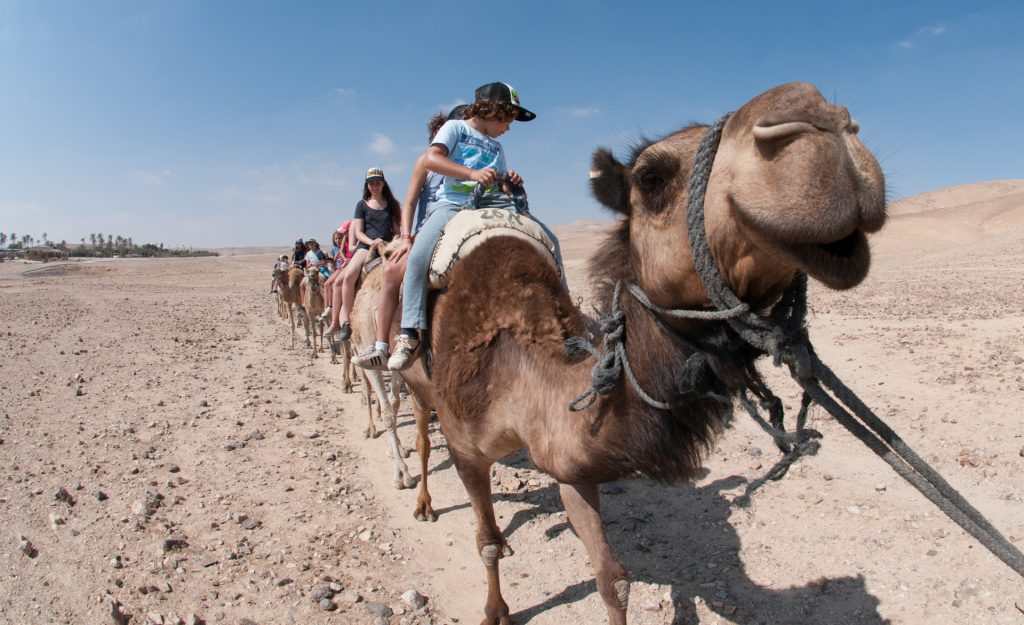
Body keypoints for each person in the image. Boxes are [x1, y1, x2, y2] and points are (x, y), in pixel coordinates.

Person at [389, 82, 564, 371]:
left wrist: (510, 182)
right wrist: (471, 173)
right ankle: (409, 333)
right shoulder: (456, 129)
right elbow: (432, 159)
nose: (508, 127)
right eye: (507, 119)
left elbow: (499, 183)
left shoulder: (496, 145)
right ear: (492, 110)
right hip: (453, 203)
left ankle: (563, 318)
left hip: (494, 205)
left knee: (550, 240)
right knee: (419, 257)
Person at [351, 105, 466, 369]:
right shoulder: (427, 163)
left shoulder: (474, 161)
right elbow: (411, 203)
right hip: (425, 230)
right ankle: (383, 343)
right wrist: (406, 236)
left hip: (464, 226)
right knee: (390, 272)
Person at [327, 168, 400, 341]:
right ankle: (347, 321)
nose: (374, 186)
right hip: (365, 247)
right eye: (371, 183)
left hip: (387, 245)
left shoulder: (392, 204)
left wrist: (395, 240)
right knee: (349, 277)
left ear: (383, 184)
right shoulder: (361, 205)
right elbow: (358, 232)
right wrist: (371, 242)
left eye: (378, 182)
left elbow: (397, 228)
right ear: (367, 185)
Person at [319, 222, 355, 323]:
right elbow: (341, 252)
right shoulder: (338, 247)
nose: (338, 240)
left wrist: (345, 260)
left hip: (346, 266)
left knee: (333, 284)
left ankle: (331, 308)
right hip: (339, 267)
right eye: (336, 238)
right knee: (326, 284)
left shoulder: (352, 240)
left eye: (340, 237)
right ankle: (327, 308)